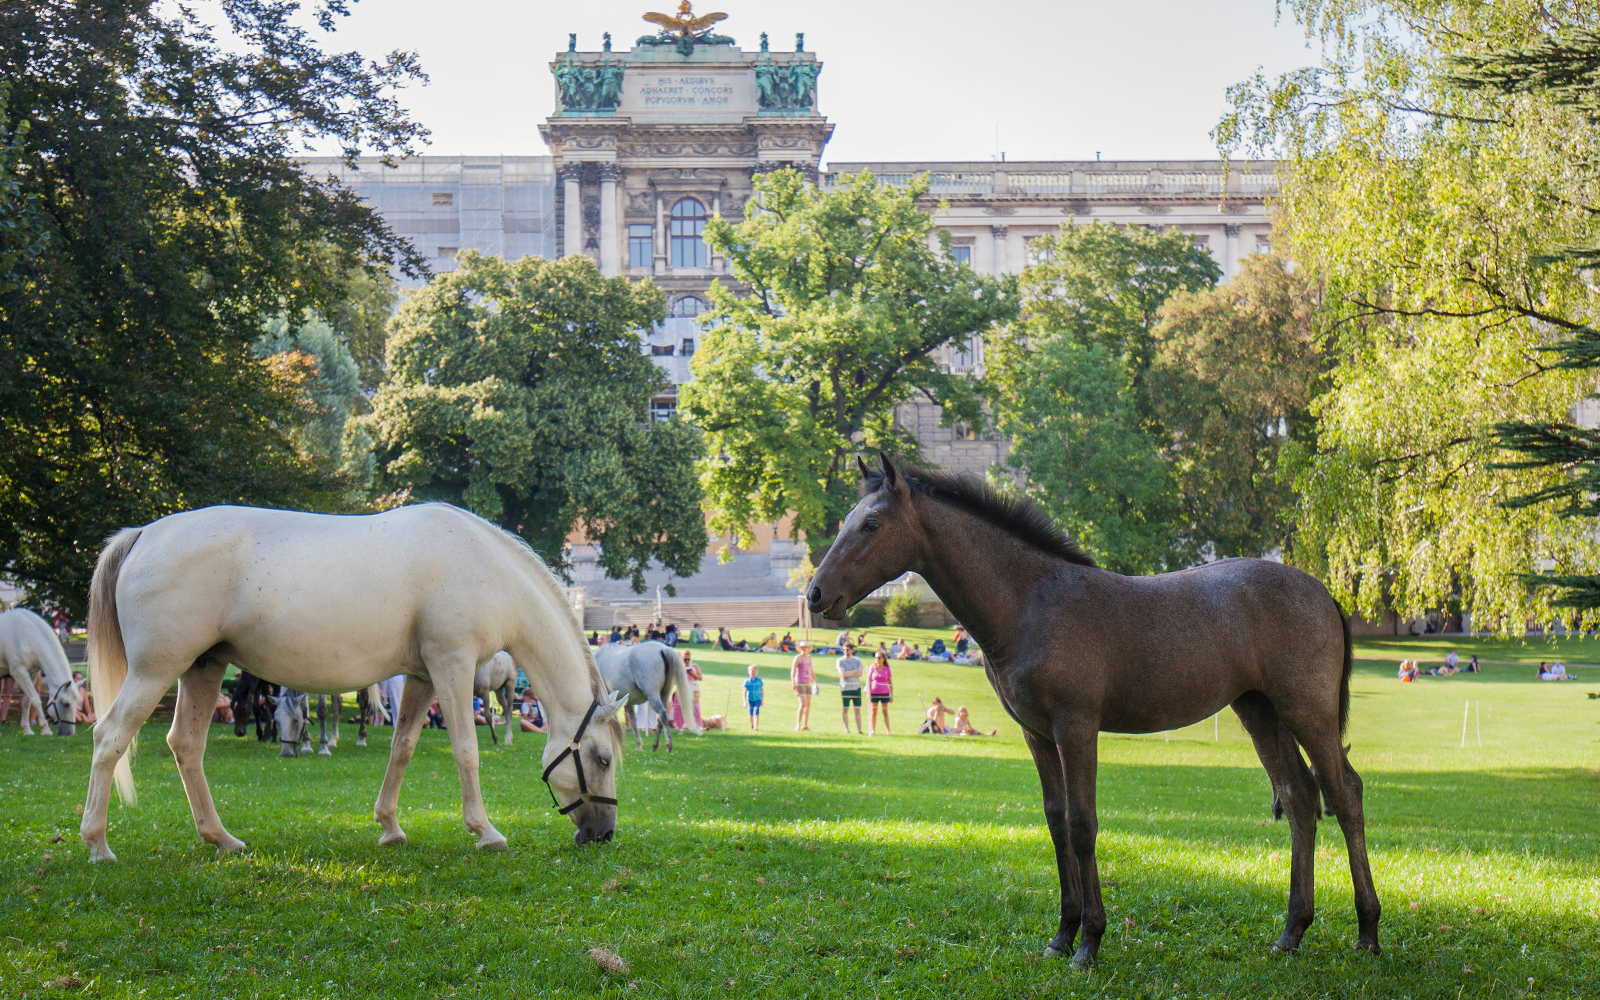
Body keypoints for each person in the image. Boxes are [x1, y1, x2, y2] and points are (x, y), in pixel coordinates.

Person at [835, 643, 864, 734]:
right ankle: (847, 729)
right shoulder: (840, 661)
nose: (845, 651)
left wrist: (849, 673)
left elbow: (860, 673)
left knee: (857, 709)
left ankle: (860, 730)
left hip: (856, 687)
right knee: (846, 708)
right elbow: (843, 674)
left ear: (852, 650)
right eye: (844, 649)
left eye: (847, 650)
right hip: (846, 688)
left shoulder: (857, 660)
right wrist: (855, 671)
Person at [867, 650, 893, 736]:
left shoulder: (887, 669)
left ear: (883, 659)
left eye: (879, 658)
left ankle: (888, 730)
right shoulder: (872, 668)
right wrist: (867, 693)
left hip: (884, 692)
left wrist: (892, 694)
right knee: (873, 711)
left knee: (885, 712)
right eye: (875, 657)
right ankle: (873, 730)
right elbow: (868, 680)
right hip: (874, 692)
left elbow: (890, 682)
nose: (877, 659)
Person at [791, 641, 815, 731]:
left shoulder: (810, 657)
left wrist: (815, 682)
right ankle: (798, 724)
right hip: (800, 682)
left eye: (806, 647)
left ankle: (805, 725)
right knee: (803, 703)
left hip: (808, 683)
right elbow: (793, 670)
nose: (804, 649)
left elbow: (811, 671)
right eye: (802, 647)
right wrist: (793, 682)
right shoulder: (798, 658)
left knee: (808, 704)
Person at [681, 650, 703, 728]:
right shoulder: (681, 668)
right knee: (686, 706)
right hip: (685, 689)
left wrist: (693, 674)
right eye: (685, 659)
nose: (687, 661)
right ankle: (686, 722)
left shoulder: (694, 666)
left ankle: (698, 723)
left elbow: (700, 677)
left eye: (688, 659)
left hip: (694, 688)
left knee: (696, 706)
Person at [743, 664, 764, 730]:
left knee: (756, 713)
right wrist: (744, 702)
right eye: (752, 671)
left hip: (757, 699)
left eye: (755, 671)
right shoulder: (747, 681)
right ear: (748, 672)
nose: (753, 673)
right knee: (751, 714)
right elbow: (744, 692)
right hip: (750, 699)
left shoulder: (759, 680)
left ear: (757, 672)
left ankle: (755, 727)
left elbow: (762, 690)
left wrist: (762, 700)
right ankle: (751, 725)